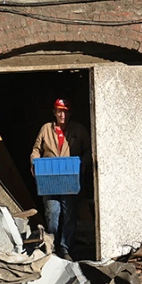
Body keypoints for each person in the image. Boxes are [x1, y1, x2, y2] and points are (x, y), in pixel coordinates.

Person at [30, 98, 89, 260]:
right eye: (59, 111)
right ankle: (52, 247)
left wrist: (83, 165)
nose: (62, 114)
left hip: (70, 177)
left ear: (70, 113)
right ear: (54, 112)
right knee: (52, 213)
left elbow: (88, 149)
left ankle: (65, 248)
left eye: (65, 111)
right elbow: (36, 149)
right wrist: (34, 162)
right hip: (49, 177)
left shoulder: (78, 129)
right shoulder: (46, 129)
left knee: (69, 214)